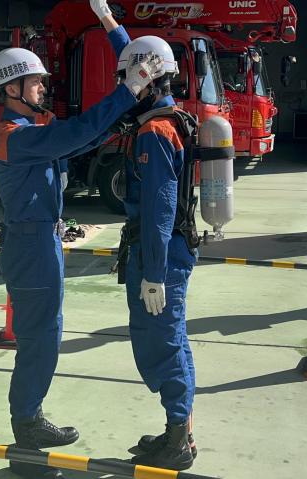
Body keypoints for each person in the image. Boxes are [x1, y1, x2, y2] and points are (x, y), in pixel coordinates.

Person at [0, 32, 164, 478]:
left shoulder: (33, 131)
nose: (43, 88)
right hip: (30, 244)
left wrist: (120, 125)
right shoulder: (16, 136)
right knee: (37, 339)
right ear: (12, 89)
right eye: (35, 83)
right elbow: (76, 133)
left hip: (42, 240)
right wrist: (127, 91)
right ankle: (26, 433)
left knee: (46, 335)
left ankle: (31, 418)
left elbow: (77, 142)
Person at [90, 0, 198, 470]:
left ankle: (179, 438)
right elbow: (141, 59)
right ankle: (180, 430)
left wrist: (153, 274)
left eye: (129, 80)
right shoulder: (168, 117)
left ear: (149, 81)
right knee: (170, 340)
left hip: (159, 254)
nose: (124, 88)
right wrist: (109, 22)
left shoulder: (155, 132)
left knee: (161, 342)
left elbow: (157, 209)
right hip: (165, 250)